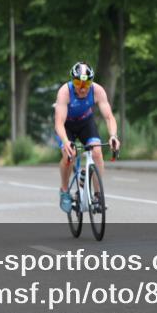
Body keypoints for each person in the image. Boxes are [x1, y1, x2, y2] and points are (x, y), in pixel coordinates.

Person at [54, 62, 120, 214]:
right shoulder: (65, 92)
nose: (82, 88)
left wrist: (113, 136)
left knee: (97, 152)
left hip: (85, 122)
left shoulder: (97, 91)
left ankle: (97, 195)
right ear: (72, 81)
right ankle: (64, 190)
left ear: (92, 81)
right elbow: (59, 124)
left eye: (86, 83)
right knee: (69, 155)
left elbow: (109, 117)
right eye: (78, 83)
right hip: (66, 126)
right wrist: (66, 142)